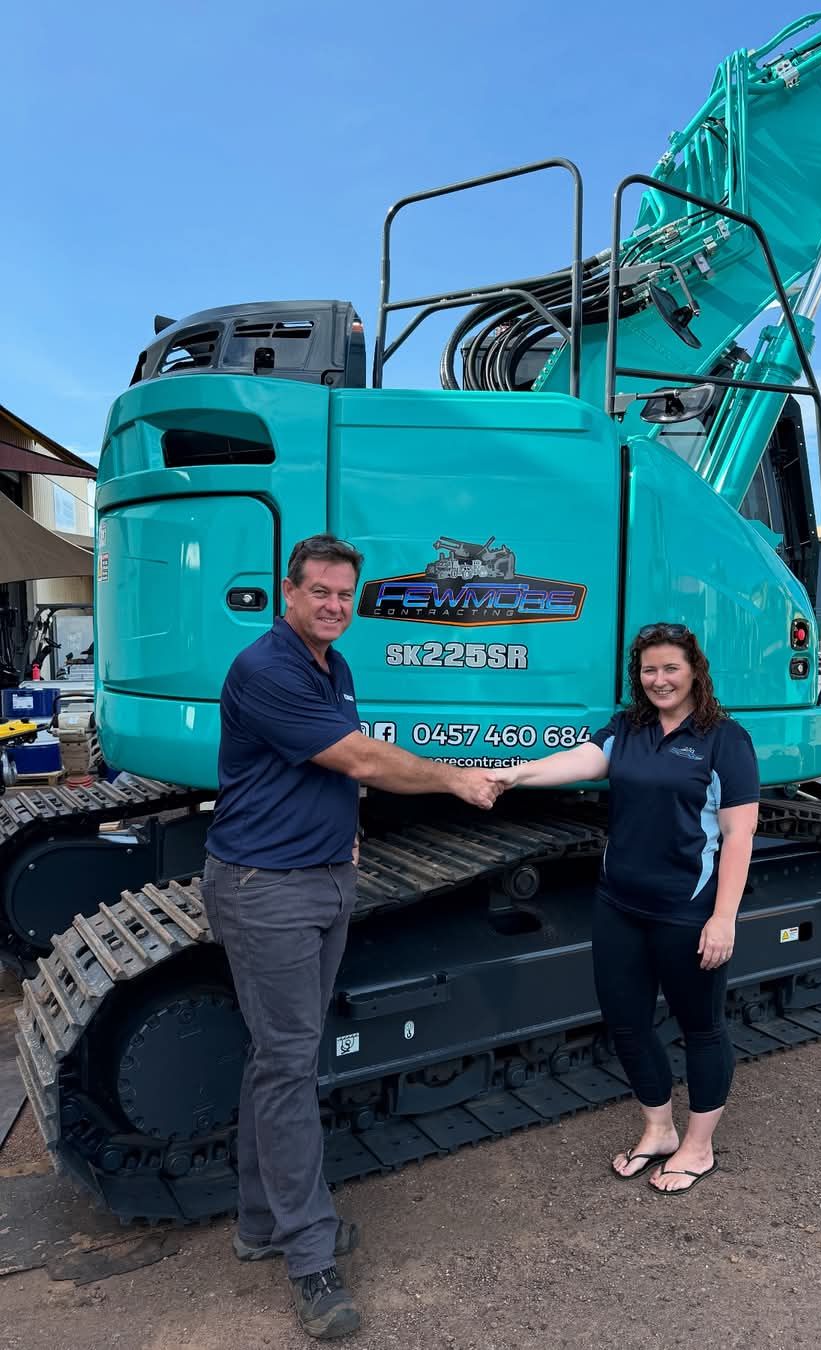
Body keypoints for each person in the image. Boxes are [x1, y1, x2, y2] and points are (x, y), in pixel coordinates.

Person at [201, 534, 501, 1341]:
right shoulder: (267, 669)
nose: (335, 606)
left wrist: (349, 841)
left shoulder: (333, 667)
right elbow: (361, 758)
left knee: (278, 1057)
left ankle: (263, 1222)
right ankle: (309, 1255)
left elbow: (334, 773)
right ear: (286, 591)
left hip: (321, 878)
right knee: (292, 1065)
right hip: (269, 890)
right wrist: (454, 778)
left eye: (345, 594)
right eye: (320, 592)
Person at [493, 622, 758, 1195]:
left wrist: (723, 917)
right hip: (619, 903)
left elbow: (738, 835)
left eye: (671, 668)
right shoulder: (628, 728)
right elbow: (580, 761)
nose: (659, 679)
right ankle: (659, 1129)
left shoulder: (724, 739)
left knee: (702, 1028)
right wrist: (513, 774)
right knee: (627, 1022)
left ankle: (698, 1145)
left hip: (687, 910)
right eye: (649, 670)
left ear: (694, 672)